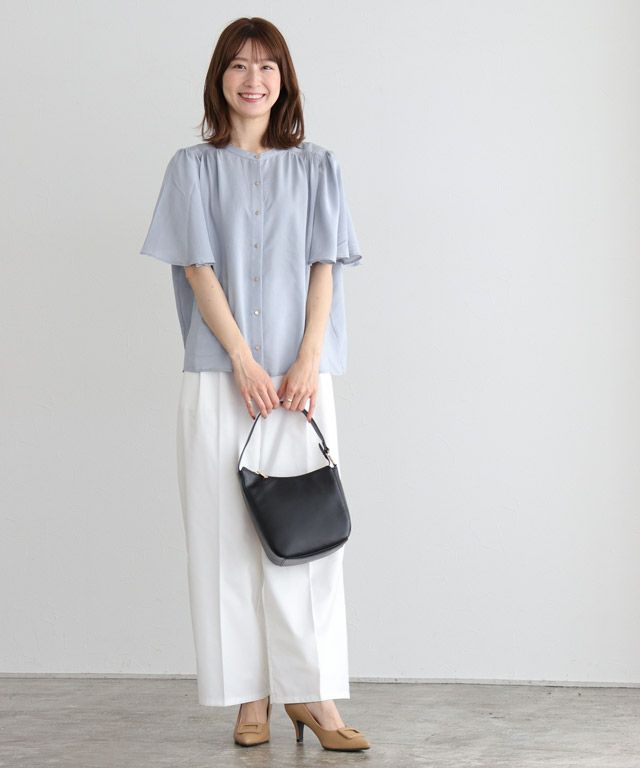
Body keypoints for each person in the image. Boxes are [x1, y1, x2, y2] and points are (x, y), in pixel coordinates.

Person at [139, 17, 369, 752]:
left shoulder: (319, 167)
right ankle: (251, 697)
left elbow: (324, 265)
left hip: (301, 384)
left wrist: (306, 359)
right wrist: (242, 358)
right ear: (220, 78)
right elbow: (197, 268)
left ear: (284, 80)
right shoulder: (191, 169)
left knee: (309, 538)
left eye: (267, 66)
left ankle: (314, 696)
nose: (253, 79)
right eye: (239, 65)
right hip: (221, 378)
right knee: (225, 539)